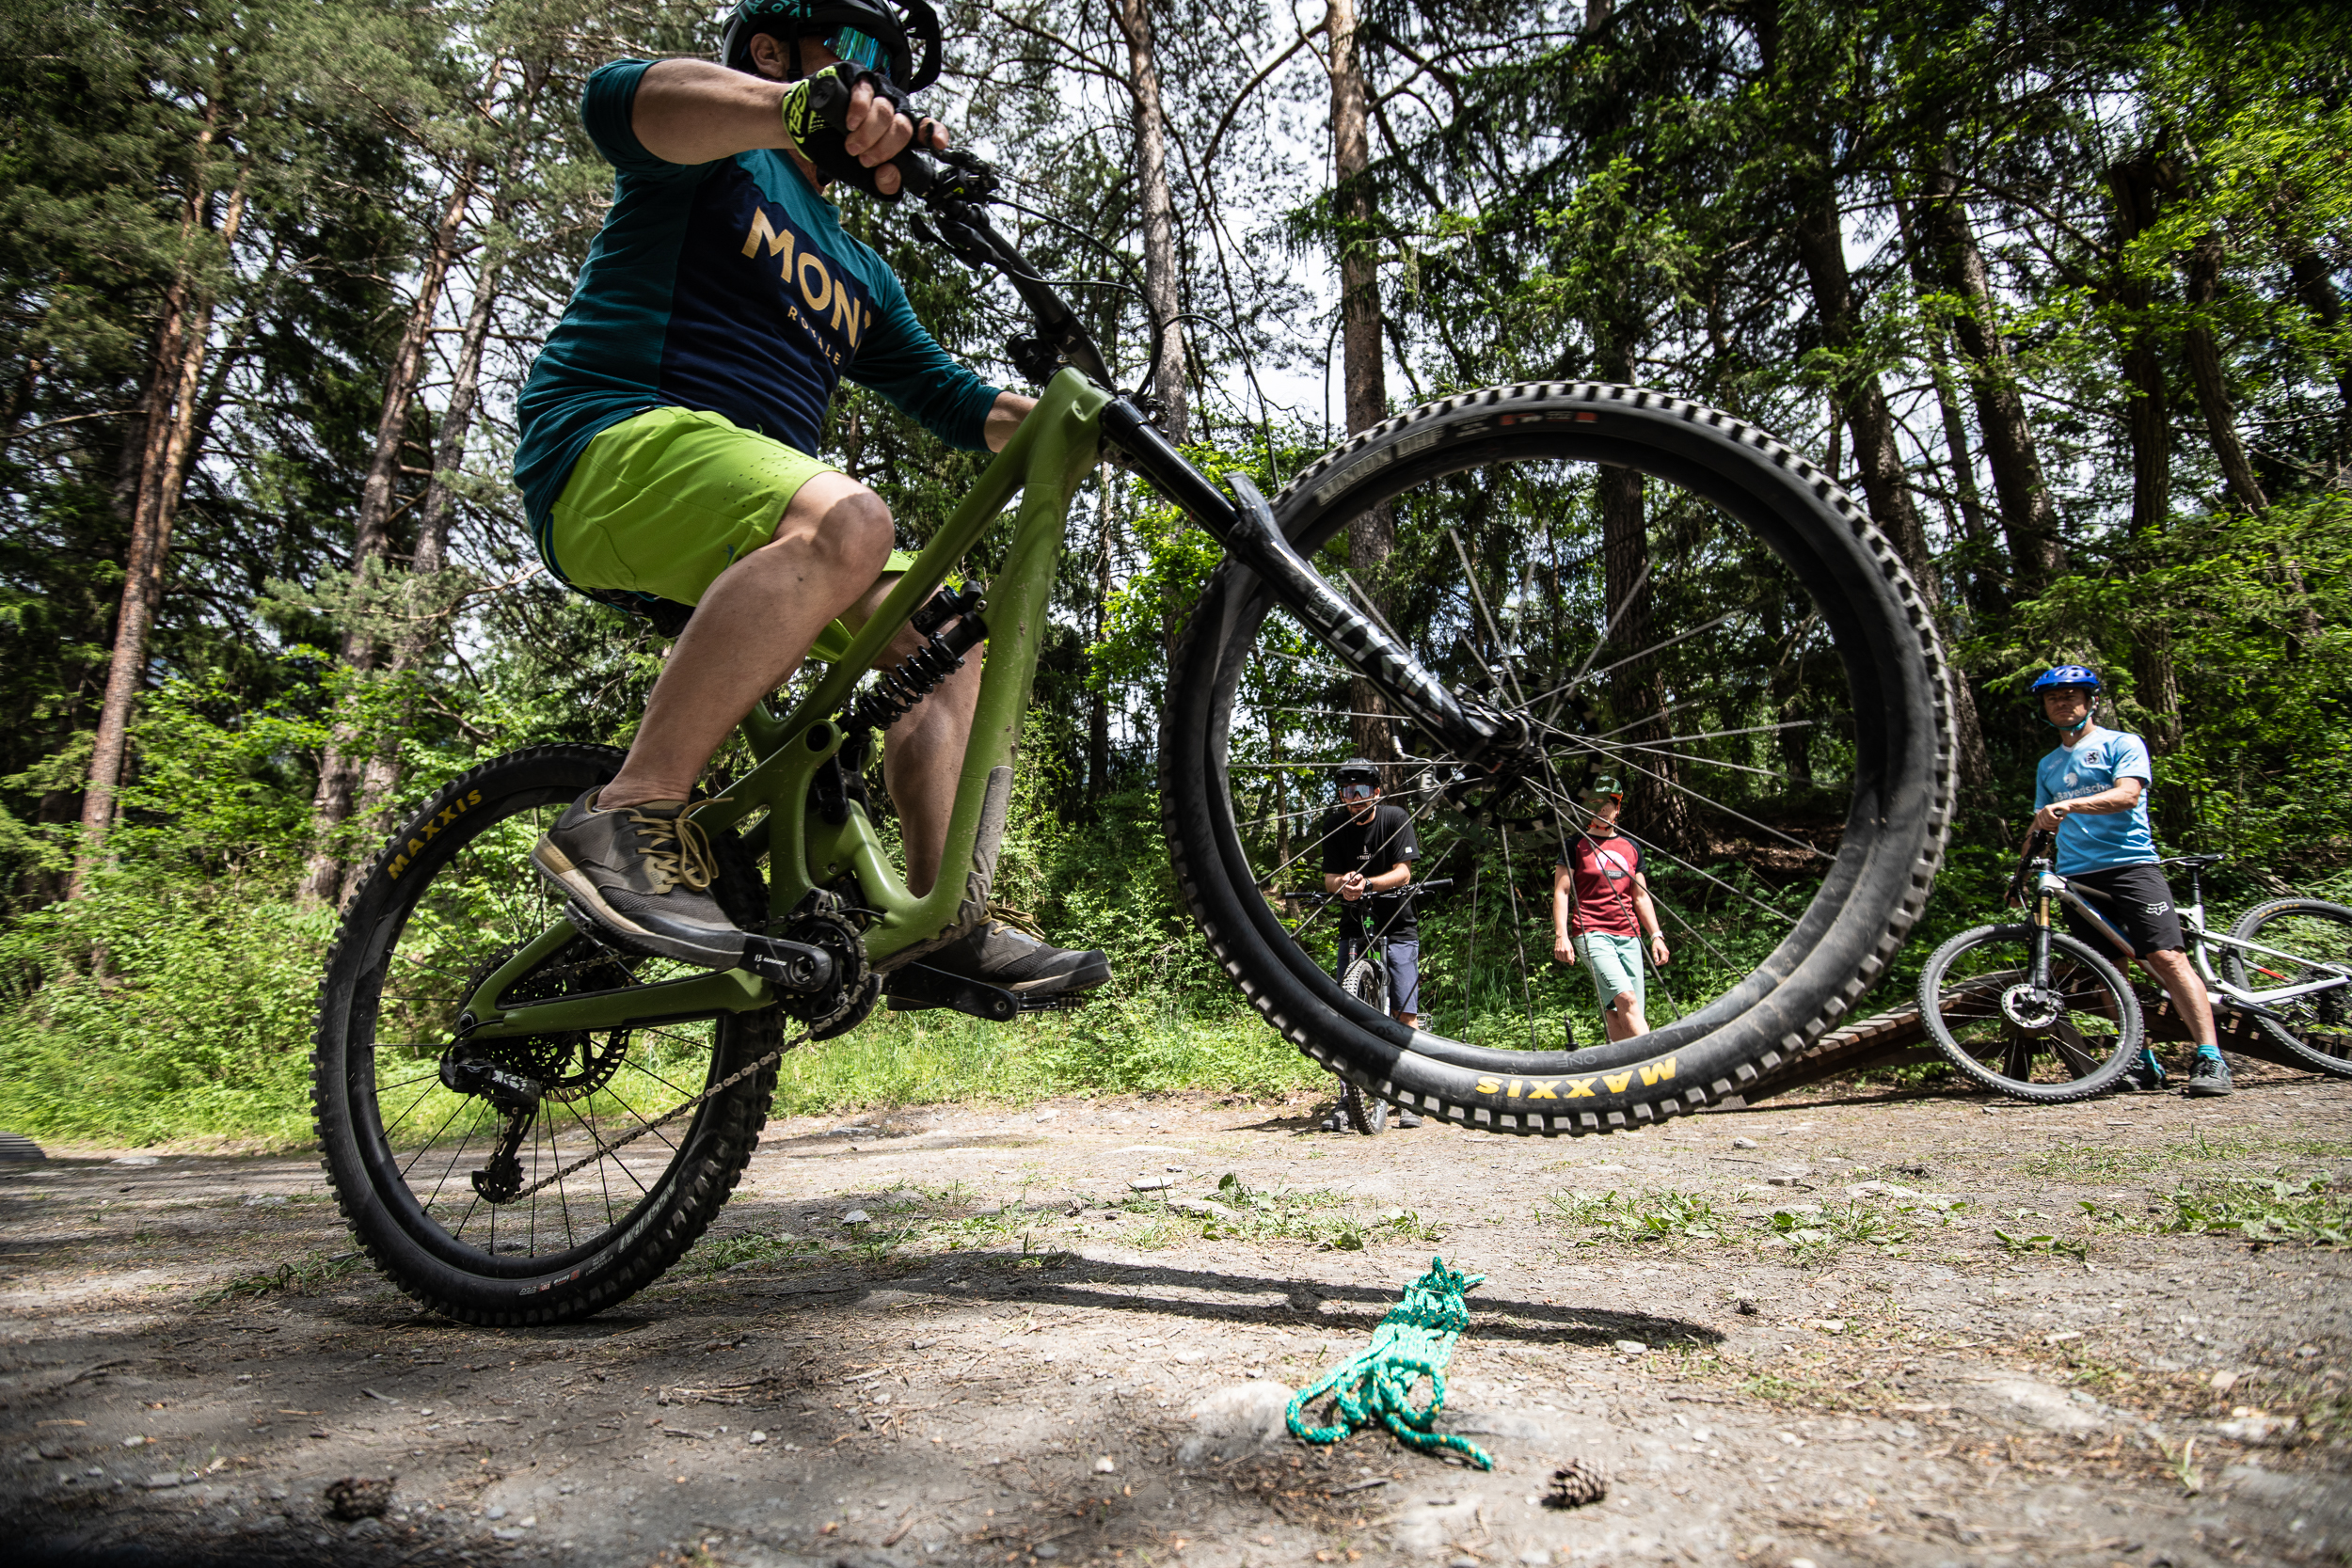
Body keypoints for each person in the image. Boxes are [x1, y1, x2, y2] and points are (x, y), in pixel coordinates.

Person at [511, 0, 1107, 999]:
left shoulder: (862, 271)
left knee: (950, 632)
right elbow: (621, 99)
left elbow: (953, 399)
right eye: (863, 57)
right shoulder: (714, 152)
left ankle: (935, 919)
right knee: (851, 522)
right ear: (774, 47)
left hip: (743, 508)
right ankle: (630, 809)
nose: (883, 90)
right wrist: (795, 108)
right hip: (604, 449)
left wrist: (1080, 423)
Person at [2028, 665, 2227, 1095]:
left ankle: (2210, 1058)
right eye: (2053, 697)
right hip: (2077, 877)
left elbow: (2128, 795)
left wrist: (2073, 805)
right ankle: (2141, 1059)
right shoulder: (2048, 764)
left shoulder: (2121, 742)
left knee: (2167, 959)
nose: (2062, 702)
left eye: (2071, 695)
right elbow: (2041, 824)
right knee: (2108, 973)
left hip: (2131, 867)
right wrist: (2022, 869)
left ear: (2091, 701)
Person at [1317, 759, 1423, 1129]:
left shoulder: (1394, 819)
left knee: (1404, 1009)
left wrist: (1369, 883)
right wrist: (1343, 883)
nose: (1354, 798)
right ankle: (1349, 1098)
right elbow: (1329, 877)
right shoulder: (1334, 824)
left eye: (1362, 790)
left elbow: (1404, 871)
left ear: (1377, 792)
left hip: (1397, 922)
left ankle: (1408, 1094)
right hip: (1353, 922)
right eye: (1348, 791)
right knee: (1346, 1012)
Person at [1550, 779, 1670, 1041]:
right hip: (1592, 933)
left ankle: (1622, 1075)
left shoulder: (1631, 848)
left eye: (1608, 803)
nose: (1602, 808)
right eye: (1595, 802)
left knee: (1618, 1010)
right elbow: (1562, 891)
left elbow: (1640, 897)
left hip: (1629, 937)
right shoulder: (1574, 845)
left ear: (1617, 809)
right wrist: (1562, 935)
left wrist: (1656, 935)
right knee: (1626, 999)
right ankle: (1654, 1063)